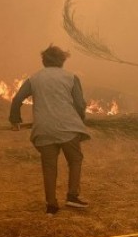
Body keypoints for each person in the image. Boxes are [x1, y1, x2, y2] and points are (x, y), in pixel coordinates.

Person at [9, 44, 91, 216]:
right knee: (75, 159)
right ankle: (72, 196)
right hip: (69, 128)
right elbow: (79, 104)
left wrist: (15, 119)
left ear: (44, 61)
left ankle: (51, 206)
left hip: (43, 129)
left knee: (49, 167)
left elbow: (17, 100)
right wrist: (80, 120)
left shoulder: (34, 79)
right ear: (62, 61)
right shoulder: (71, 78)